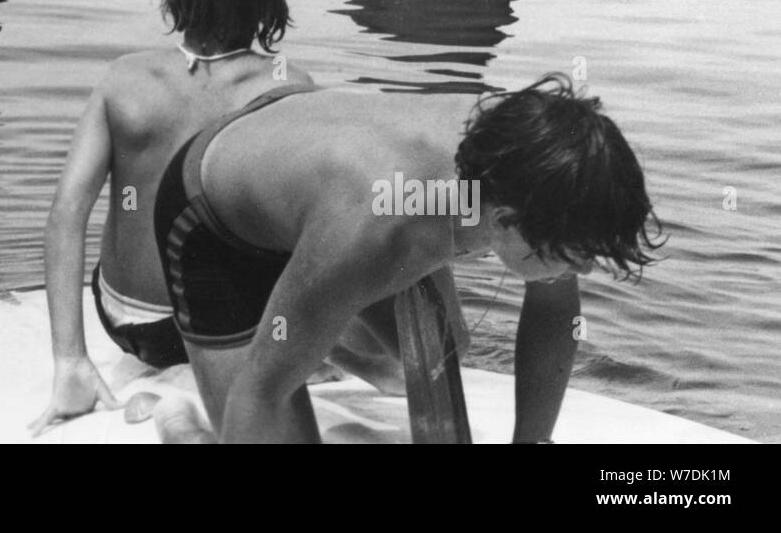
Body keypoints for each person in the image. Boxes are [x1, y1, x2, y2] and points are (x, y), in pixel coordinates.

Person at [152, 74, 661, 443]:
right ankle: (190, 428)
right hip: (212, 218)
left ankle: (314, 330)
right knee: (269, 394)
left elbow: (553, 310)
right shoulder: (380, 233)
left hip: (320, 165)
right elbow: (258, 396)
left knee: (441, 349)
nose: (587, 270)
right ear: (504, 222)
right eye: (577, 256)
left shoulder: (539, 164)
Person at [29, 0, 315, 435]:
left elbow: (66, 216)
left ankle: (169, 395)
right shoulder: (287, 88)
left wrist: (70, 360)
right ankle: (196, 403)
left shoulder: (124, 78)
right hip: (228, 333)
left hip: (128, 322)